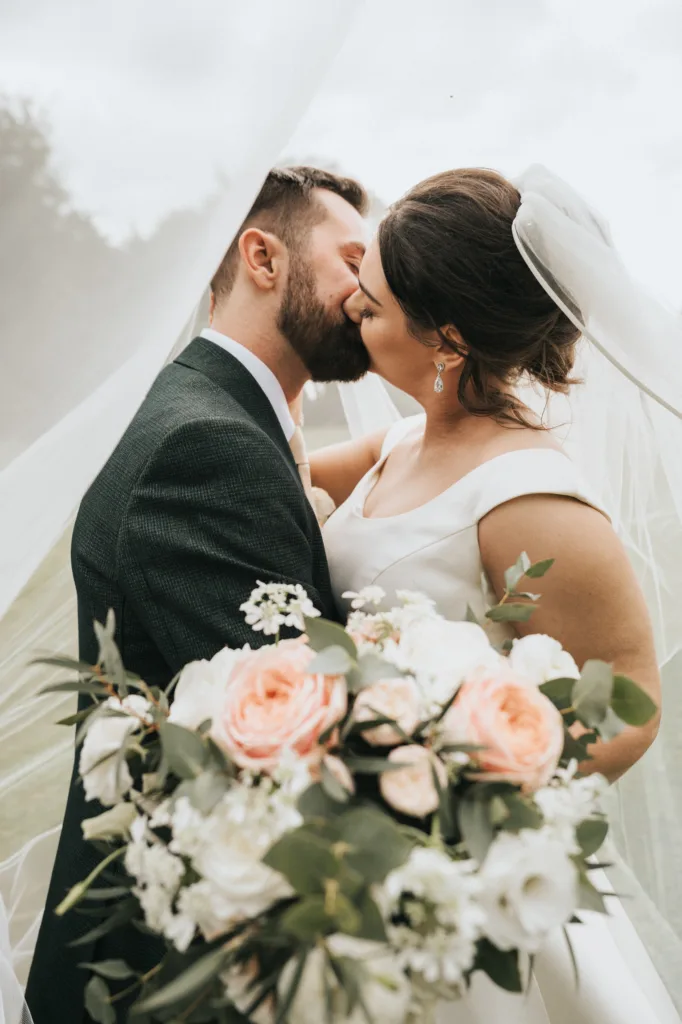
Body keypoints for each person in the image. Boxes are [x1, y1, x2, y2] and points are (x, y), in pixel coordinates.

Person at [316, 167, 681, 1022]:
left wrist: (469, 788)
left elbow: (633, 699)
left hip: (470, 882)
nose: (351, 313)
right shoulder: (401, 440)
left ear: (445, 339)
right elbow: (277, 474)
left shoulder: (528, 495)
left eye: (369, 306)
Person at [25, 165, 371, 1024]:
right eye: (354, 258)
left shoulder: (221, 415)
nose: (372, 290)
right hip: (163, 979)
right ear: (263, 257)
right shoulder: (207, 448)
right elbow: (294, 739)